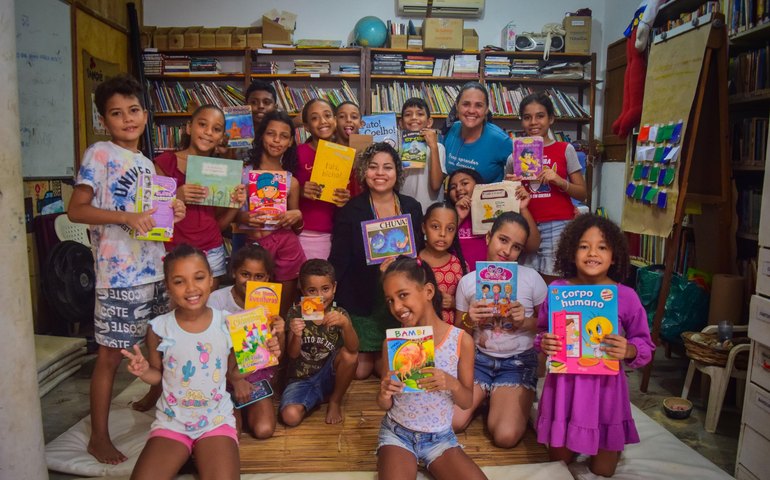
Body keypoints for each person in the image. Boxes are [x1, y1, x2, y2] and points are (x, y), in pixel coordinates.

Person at [67, 74, 186, 464]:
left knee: (159, 342)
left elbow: (151, 219)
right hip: (118, 276)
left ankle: (154, 395)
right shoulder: (98, 153)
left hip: (153, 269)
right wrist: (124, 216)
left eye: (133, 110)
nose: (127, 119)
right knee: (110, 356)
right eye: (116, 114)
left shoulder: (147, 163)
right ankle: (98, 436)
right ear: (104, 120)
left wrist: (174, 212)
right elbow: (77, 209)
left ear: (146, 115)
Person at [120, 245, 277, 480]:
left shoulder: (229, 323)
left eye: (199, 278)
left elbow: (236, 374)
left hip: (216, 421)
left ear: (211, 279)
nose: (191, 288)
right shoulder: (159, 328)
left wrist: (265, 350)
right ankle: (189, 455)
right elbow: (158, 377)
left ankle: (198, 455)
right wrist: (143, 371)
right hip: (172, 423)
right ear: (167, 286)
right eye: (179, 281)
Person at [536, 214, 655, 477]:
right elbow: (542, 331)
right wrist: (545, 342)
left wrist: (630, 350)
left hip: (606, 393)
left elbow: (644, 344)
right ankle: (572, 437)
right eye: (583, 246)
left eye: (602, 247)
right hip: (565, 389)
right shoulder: (558, 290)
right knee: (559, 464)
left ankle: (607, 444)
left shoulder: (626, 296)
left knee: (604, 471)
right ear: (570, 252)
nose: (592, 253)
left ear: (614, 256)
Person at [377, 257, 485, 480]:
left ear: (428, 291)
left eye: (403, 295)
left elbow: (465, 402)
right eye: (390, 300)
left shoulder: (460, 340)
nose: (396, 307)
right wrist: (384, 392)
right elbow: (384, 404)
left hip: (441, 439)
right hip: (398, 434)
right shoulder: (392, 344)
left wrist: (451, 382)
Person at [329, 143, 424, 380]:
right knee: (360, 371)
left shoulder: (411, 207)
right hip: (362, 295)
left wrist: (399, 264)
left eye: (387, 167)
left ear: (397, 173)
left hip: (399, 295)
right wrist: (329, 296)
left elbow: (419, 250)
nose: (380, 173)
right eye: (373, 167)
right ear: (364, 172)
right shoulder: (351, 209)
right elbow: (339, 259)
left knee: (393, 370)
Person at [452, 212, 546, 448]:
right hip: (478, 361)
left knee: (505, 436)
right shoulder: (468, 281)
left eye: (516, 247)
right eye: (503, 240)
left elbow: (548, 325)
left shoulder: (532, 279)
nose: (507, 251)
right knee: (453, 422)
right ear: (488, 237)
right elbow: (456, 330)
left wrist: (523, 321)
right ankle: (490, 397)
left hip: (517, 364)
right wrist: (469, 318)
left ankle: (508, 398)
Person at [154, 104, 245, 289]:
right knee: (176, 310)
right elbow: (153, 217)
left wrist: (235, 205)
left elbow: (219, 225)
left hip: (211, 250)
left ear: (221, 137)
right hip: (174, 251)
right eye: (202, 124)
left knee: (208, 310)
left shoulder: (223, 171)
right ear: (189, 127)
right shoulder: (166, 162)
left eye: (216, 129)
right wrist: (176, 196)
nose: (208, 132)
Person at [505, 92, 587, 284]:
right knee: (527, 281)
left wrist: (559, 181)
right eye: (527, 117)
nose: (533, 122)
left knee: (555, 280)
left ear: (551, 119)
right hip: (526, 225)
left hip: (558, 224)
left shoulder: (565, 149)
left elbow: (582, 192)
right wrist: (510, 185)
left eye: (540, 116)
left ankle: (553, 314)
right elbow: (508, 199)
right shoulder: (513, 157)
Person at [207, 244, 284, 439]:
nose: (251, 281)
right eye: (245, 274)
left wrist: (280, 335)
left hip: (254, 371)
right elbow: (209, 349)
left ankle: (246, 404)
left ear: (267, 278)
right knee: (232, 433)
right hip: (221, 374)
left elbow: (276, 352)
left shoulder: (268, 300)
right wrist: (234, 379)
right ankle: (233, 404)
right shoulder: (216, 300)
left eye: (259, 276)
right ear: (234, 272)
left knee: (264, 430)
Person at [238, 110, 305, 317]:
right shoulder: (243, 174)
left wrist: (298, 216)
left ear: (290, 142)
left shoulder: (291, 181)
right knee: (255, 314)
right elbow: (229, 217)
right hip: (253, 246)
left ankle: (282, 349)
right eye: (271, 134)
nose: (277, 140)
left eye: (284, 136)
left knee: (281, 315)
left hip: (286, 246)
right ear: (261, 136)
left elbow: (297, 228)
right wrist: (243, 217)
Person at [281, 259, 359, 425]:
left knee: (349, 356)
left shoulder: (339, 313)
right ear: (302, 290)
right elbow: (293, 354)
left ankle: (334, 400)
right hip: (300, 379)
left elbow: (354, 349)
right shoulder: (296, 312)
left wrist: (346, 324)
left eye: (325, 289)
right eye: (312, 290)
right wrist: (296, 334)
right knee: (290, 416)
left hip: (328, 375)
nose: (320, 296)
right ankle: (315, 397)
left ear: (334, 288)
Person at [446, 169, 539, 269]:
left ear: (479, 185)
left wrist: (522, 208)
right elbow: (440, 245)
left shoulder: (498, 212)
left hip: (497, 279)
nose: (458, 189)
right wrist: (459, 217)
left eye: (464, 183)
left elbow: (533, 247)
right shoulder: (447, 216)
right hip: (462, 281)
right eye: (453, 187)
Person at [294, 98, 352, 260]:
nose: (323, 121)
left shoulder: (345, 155)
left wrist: (346, 199)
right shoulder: (298, 152)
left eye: (327, 115)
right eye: (314, 118)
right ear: (306, 126)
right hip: (302, 232)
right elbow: (279, 189)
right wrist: (298, 190)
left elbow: (352, 197)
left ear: (335, 119)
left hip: (333, 234)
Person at [441, 82, 512, 184]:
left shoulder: (500, 140)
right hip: (457, 199)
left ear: (486, 109)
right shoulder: (452, 130)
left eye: (478, 105)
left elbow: (528, 168)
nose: (471, 110)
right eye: (466, 104)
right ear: (457, 106)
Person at [418, 202, 468, 325]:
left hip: (449, 335)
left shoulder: (459, 266)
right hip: (418, 335)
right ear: (424, 228)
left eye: (450, 229)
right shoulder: (412, 263)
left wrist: (454, 302)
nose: (442, 234)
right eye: (435, 227)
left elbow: (468, 304)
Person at [398, 97, 447, 211]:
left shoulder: (438, 148)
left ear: (429, 122)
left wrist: (433, 147)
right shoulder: (397, 148)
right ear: (401, 123)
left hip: (431, 209)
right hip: (405, 208)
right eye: (408, 114)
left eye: (420, 114)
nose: (414, 118)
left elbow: (436, 186)